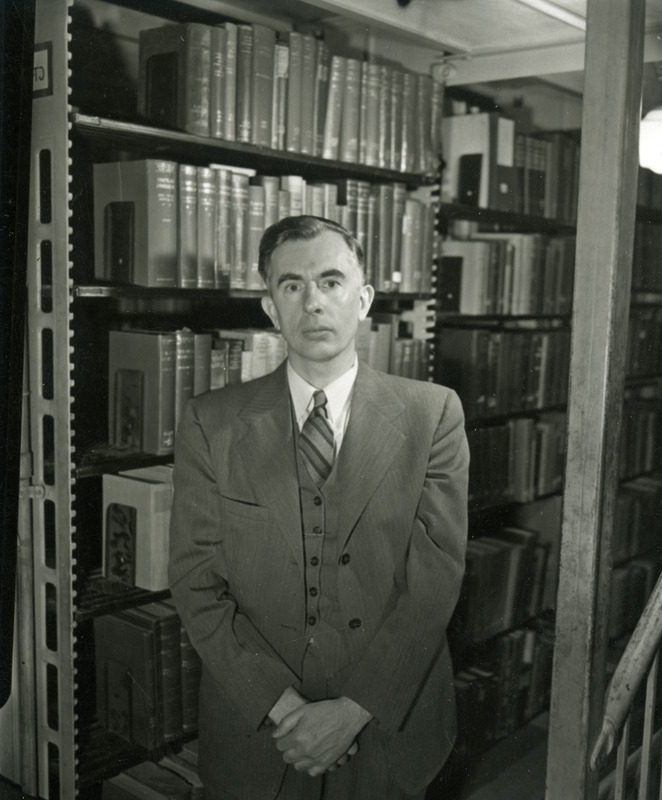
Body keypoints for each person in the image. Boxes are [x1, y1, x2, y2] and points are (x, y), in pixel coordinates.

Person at [169, 215, 469, 800]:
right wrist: (284, 709)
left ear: (364, 301)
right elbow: (194, 583)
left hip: (390, 724)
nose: (313, 303)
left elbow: (435, 582)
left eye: (331, 283)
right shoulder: (212, 423)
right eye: (292, 286)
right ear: (270, 307)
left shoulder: (433, 415)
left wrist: (351, 712)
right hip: (260, 732)